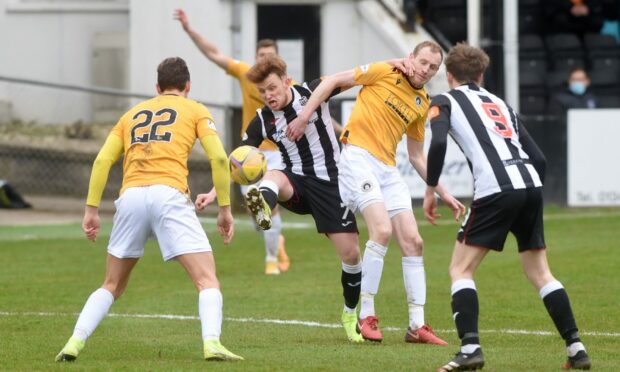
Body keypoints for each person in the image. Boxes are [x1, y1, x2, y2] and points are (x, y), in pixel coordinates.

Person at [55, 57, 243, 362]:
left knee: (112, 284)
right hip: (169, 194)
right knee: (206, 280)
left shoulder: (130, 114)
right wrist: (225, 209)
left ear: (157, 88)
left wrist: (90, 210)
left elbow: (102, 161)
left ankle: (74, 341)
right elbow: (220, 160)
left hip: (130, 197)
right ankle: (212, 344)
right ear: (188, 86)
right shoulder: (195, 109)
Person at [423, 43, 591, 371]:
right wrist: (527, 199)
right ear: (481, 75)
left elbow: (439, 141)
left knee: (460, 270)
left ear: (449, 75)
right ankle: (576, 347)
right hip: (529, 184)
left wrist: (431, 190)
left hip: (496, 190)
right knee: (540, 272)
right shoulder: (499, 102)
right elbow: (539, 157)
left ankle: (470, 348)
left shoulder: (443, 100)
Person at [286, 41, 465, 344]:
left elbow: (417, 155)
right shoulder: (384, 70)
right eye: (423, 62)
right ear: (411, 58)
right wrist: (304, 116)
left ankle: (416, 326)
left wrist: (441, 190)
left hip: (388, 168)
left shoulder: (423, 101)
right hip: (357, 157)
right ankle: (366, 315)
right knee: (381, 230)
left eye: (434, 67)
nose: (427, 70)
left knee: (414, 241)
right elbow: (332, 81)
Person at [197, 54, 366, 343]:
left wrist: (397, 65)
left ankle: (350, 314)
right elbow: (236, 161)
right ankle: (260, 204)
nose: (268, 96)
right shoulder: (262, 119)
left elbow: (355, 76)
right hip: (294, 182)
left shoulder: (312, 92)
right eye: (262, 92)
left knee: (351, 256)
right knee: (272, 174)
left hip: (331, 184)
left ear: (287, 81)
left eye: (272, 88)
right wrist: (214, 192)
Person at [174, 8, 290, 275]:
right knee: (255, 212)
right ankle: (275, 241)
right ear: (255, 59)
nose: (265, 60)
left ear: (277, 59)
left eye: (270, 55)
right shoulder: (245, 73)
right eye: (261, 56)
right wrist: (189, 29)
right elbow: (214, 54)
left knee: (268, 208)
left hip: (277, 154)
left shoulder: (287, 83)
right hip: (248, 153)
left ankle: (271, 259)